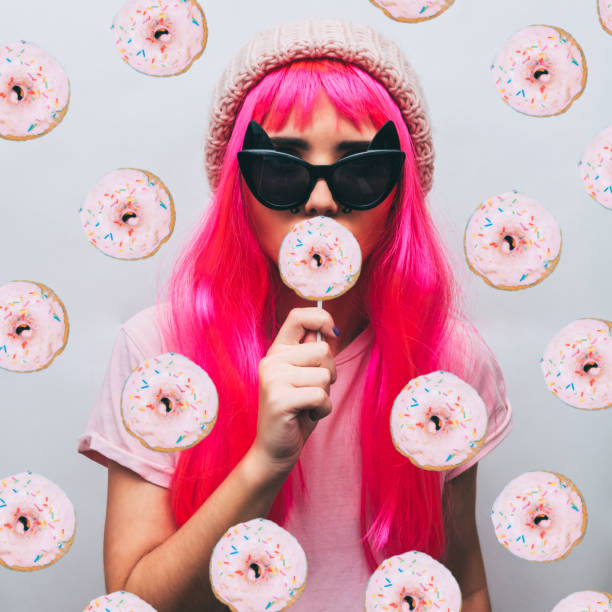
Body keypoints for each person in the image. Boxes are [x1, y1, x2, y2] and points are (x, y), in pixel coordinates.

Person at [78, 18, 512, 612]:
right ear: (239, 183)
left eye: (361, 169)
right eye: (282, 167)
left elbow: (465, 584)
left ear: (399, 191)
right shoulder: (158, 351)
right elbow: (136, 600)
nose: (321, 200)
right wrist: (264, 463)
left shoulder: (450, 357)